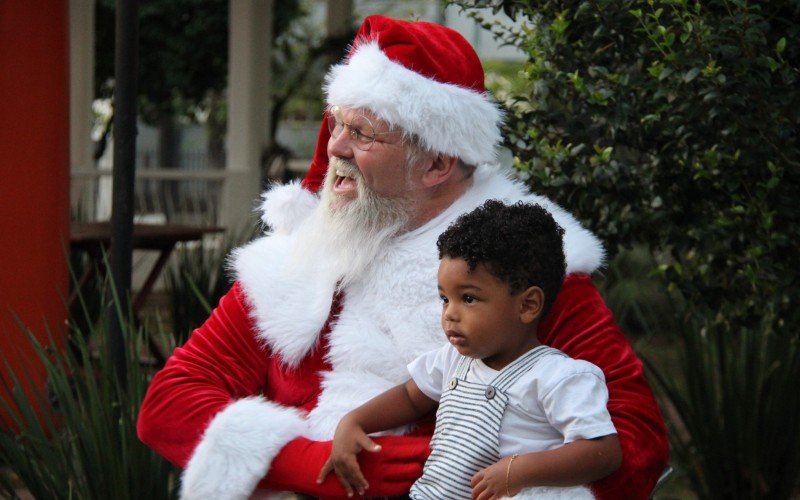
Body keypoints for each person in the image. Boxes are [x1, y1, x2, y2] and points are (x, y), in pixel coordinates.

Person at [137, 15, 668, 500]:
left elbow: (634, 444)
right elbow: (170, 402)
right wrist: (306, 463)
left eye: (362, 133)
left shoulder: (522, 265)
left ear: (436, 163)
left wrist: (467, 479)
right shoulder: (301, 256)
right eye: (337, 124)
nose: (335, 148)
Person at [319, 200, 622, 499]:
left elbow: (603, 451)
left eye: (469, 299)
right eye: (444, 299)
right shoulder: (453, 360)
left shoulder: (556, 376)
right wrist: (354, 421)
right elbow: (411, 398)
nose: (450, 313)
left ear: (528, 305)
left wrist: (520, 470)